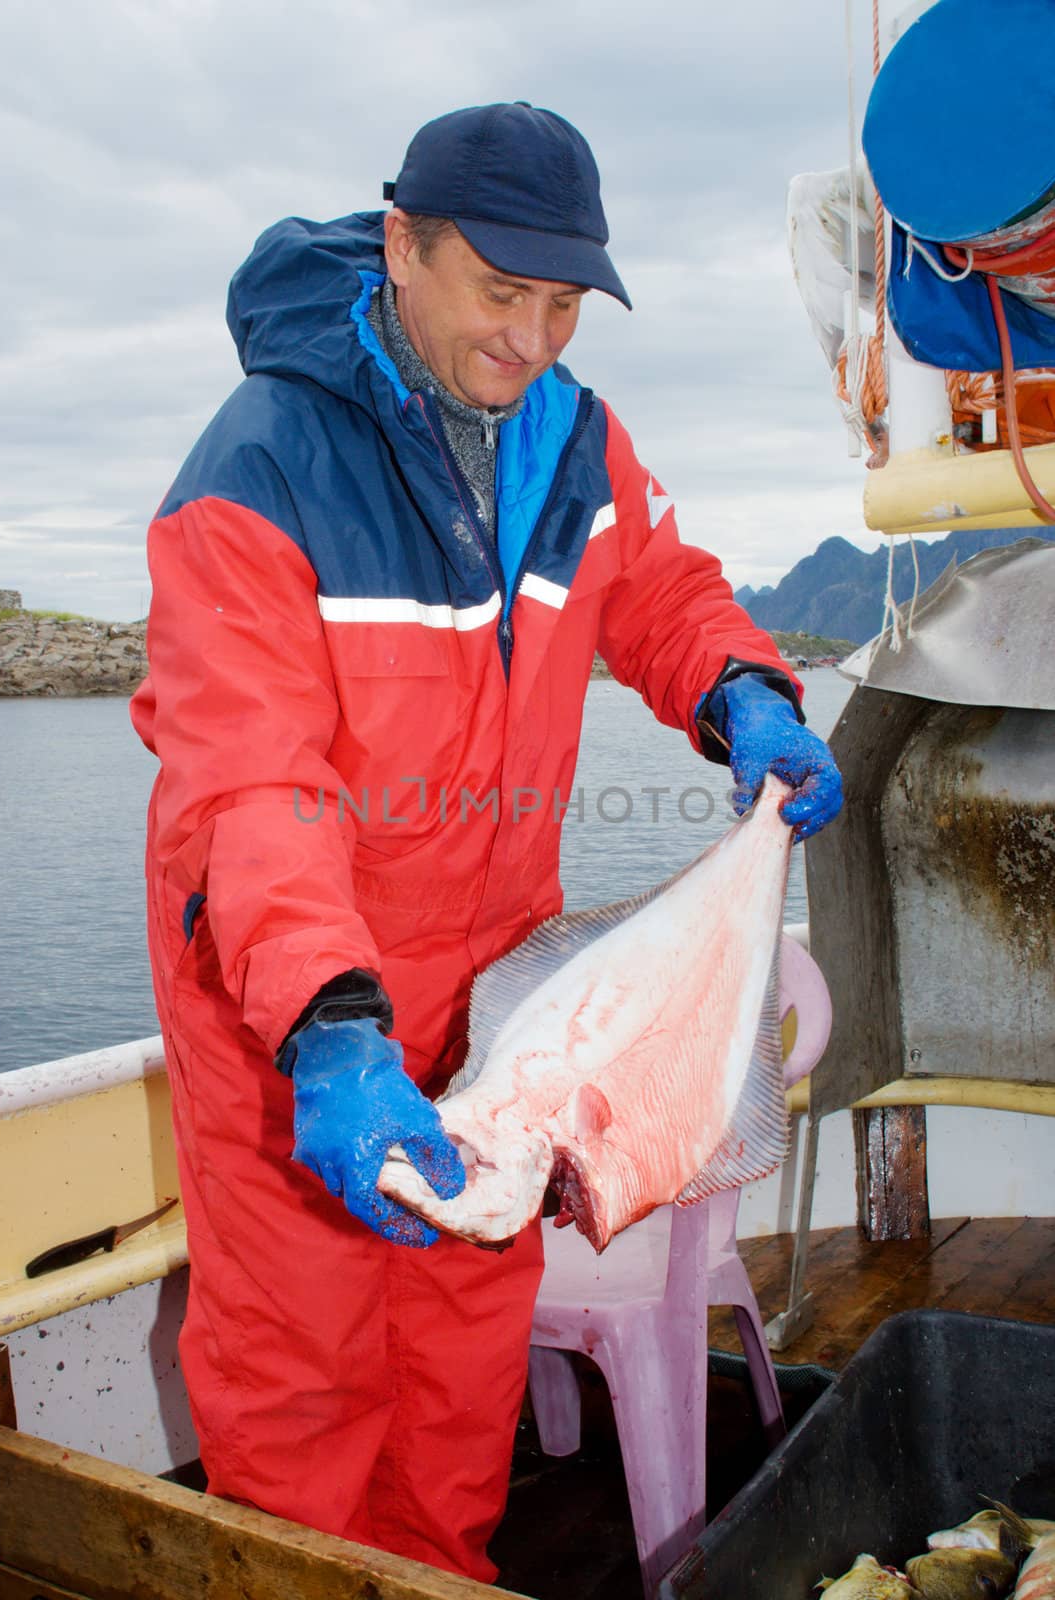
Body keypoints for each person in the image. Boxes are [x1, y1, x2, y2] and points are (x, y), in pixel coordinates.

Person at [131, 102, 842, 1582]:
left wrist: (747, 694)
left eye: (566, 304)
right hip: (290, 1010)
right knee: (303, 1369)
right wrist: (330, 1029)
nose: (532, 339)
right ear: (402, 248)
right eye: (499, 292)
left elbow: (661, 592)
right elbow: (248, 787)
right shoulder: (254, 471)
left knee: (460, 1359)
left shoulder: (578, 441)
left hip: (495, 992)